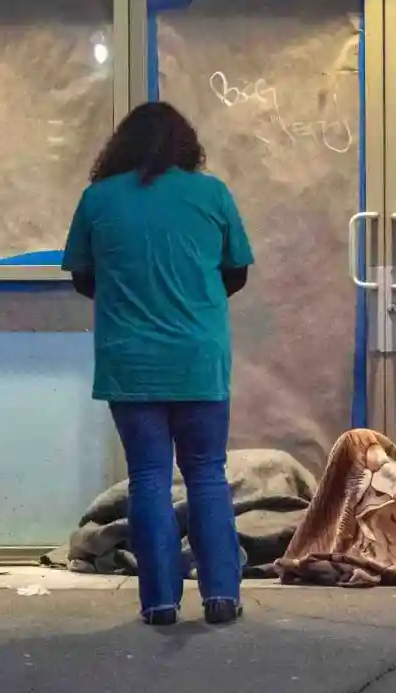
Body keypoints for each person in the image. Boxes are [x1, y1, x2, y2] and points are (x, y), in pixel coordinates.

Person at [62, 102, 254, 627]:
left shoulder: (99, 198)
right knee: (207, 474)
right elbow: (236, 271)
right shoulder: (211, 194)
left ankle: (160, 603)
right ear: (187, 146)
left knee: (147, 477)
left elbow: (82, 276)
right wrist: (192, 299)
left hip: (131, 360)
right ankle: (221, 596)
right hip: (198, 357)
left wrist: (131, 298)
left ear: (120, 146)